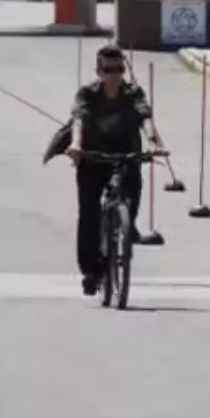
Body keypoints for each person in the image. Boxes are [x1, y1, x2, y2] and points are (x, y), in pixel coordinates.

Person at [66, 45, 165, 296]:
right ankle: (91, 270)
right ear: (98, 71)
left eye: (119, 69)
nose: (114, 75)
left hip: (125, 154)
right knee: (89, 211)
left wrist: (153, 139)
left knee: (132, 189)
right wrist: (76, 145)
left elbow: (145, 117)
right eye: (108, 70)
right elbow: (79, 119)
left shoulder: (132, 93)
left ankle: (126, 225)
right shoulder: (87, 94)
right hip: (93, 156)